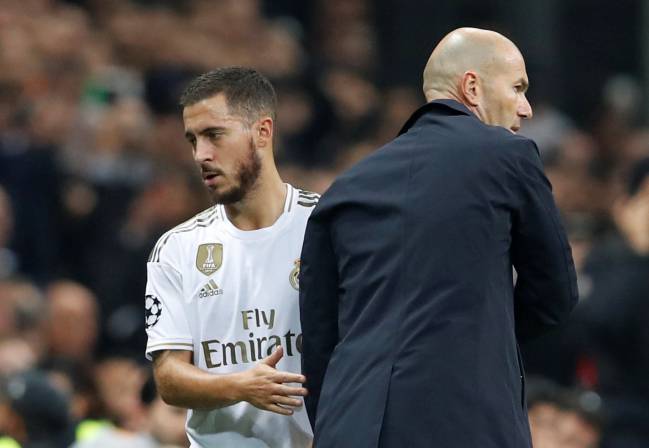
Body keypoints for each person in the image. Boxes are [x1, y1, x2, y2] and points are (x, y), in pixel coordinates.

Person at [299, 27, 578, 448]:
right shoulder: (507, 155)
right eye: (518, 87)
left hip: (348, 423)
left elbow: (320, 339)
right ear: (472, 86)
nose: (527, 108)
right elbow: (555, 293)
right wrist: (480, 334)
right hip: (461, 420)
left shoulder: (344, 188)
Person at [145, 67, 313, 447]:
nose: (201, 155)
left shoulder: (324, 227)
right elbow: (169, 377)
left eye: (214, 135)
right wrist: (240, 386)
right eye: (192, 140)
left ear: (263, 132)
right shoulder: (177, 248)